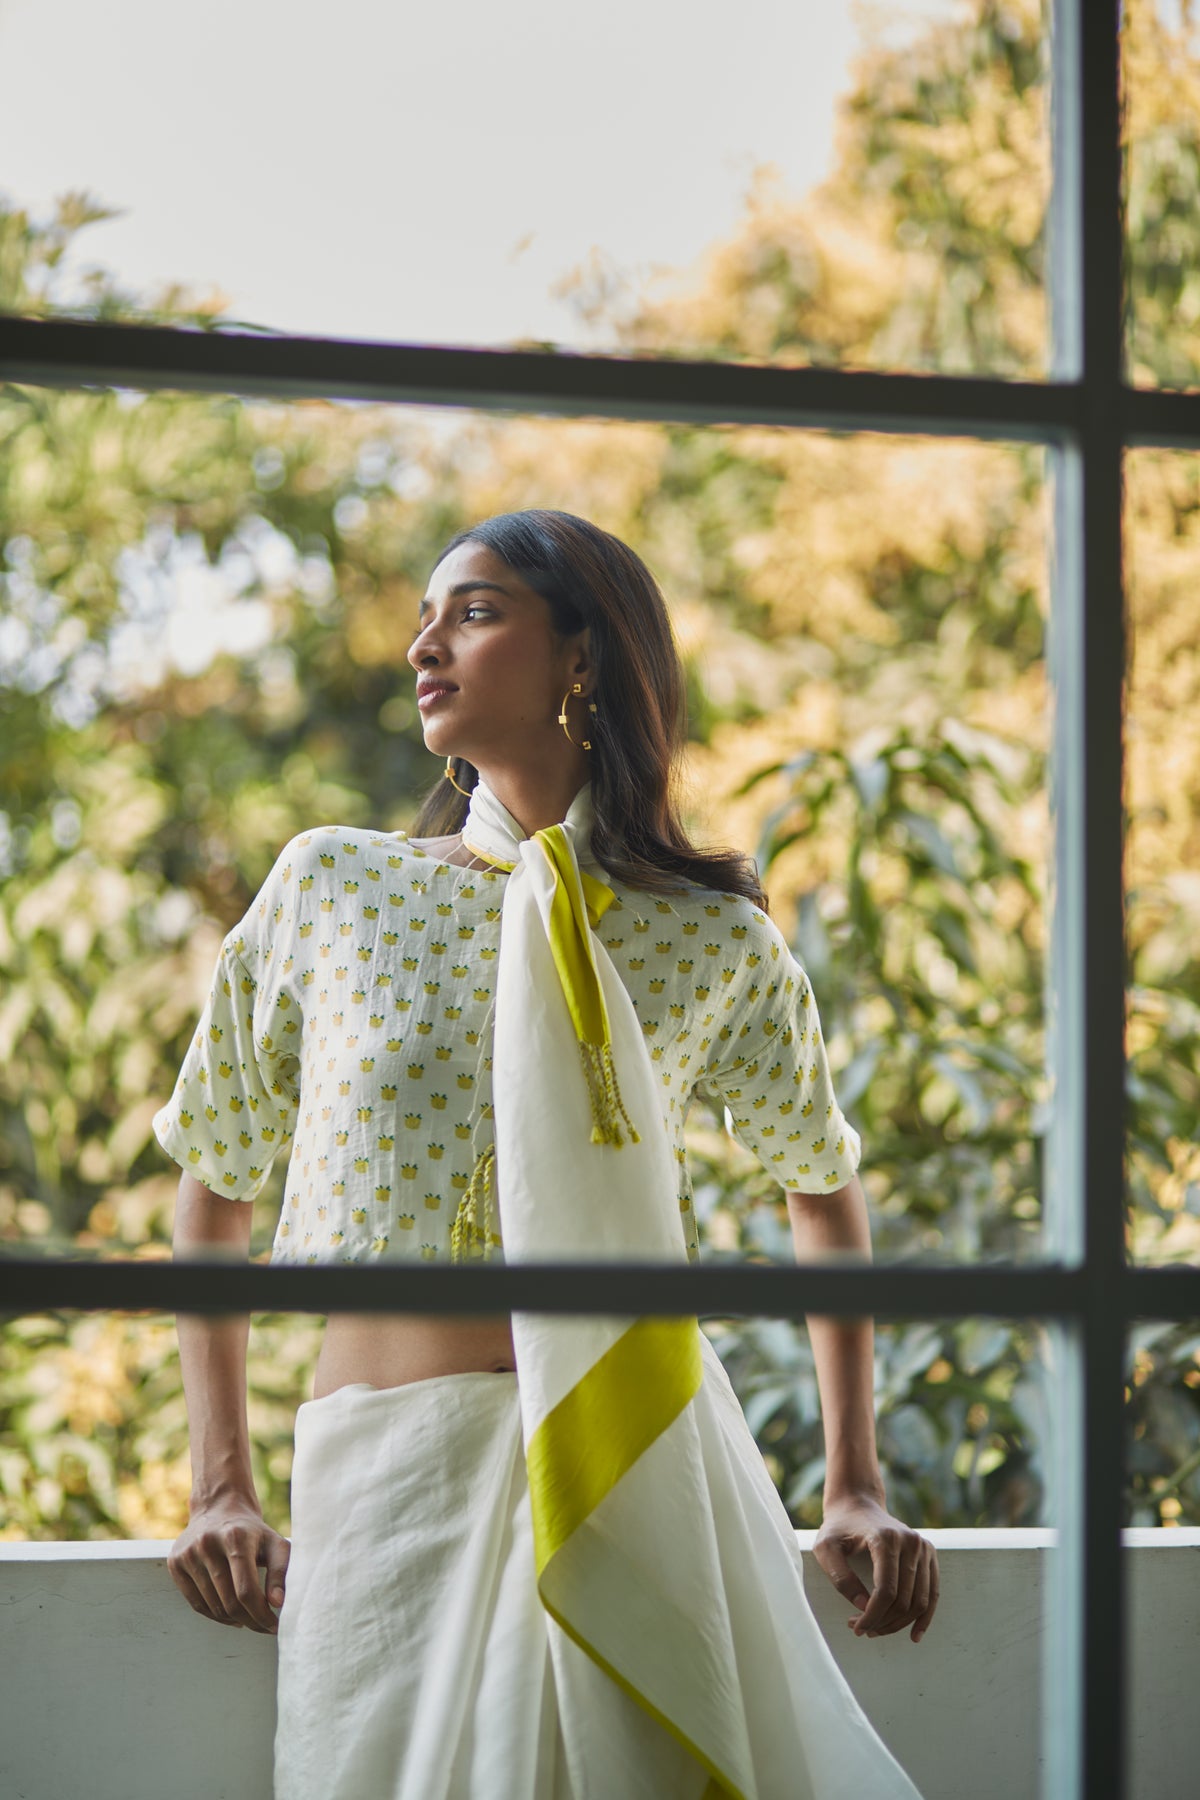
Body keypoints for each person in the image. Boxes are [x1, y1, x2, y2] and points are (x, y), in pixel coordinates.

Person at [159, 509, 936, 1799]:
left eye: (472, 610)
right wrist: (216, 1486)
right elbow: (215, 1178)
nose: (423, 643)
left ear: (583, 654)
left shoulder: (709, 937)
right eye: (426, 613)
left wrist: (852, 1479)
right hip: (391, 1487)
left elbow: (821, 1179)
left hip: (639, 1457)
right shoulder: (335, 889)